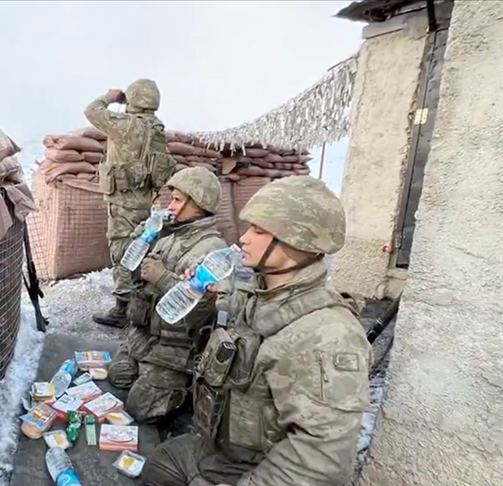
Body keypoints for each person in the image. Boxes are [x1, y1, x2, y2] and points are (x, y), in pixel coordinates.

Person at [141, 175, 372, 486]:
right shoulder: (260, 294)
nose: (244, 238)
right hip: (225, 449)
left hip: (258, 468)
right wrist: (205, 297)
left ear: (295, 241)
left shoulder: (328, 335)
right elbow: (230, 321)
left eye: (259, 230)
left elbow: (320, 461)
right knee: (162, 462)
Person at [106, 167, 227, 424]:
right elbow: (131, 271)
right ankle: (149, 374)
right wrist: (140, 249)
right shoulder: (169, 235)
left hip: (177, 347)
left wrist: (162, 278)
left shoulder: (212, 250)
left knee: (139, 409)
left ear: (199, 203)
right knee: (118, 375)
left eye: (177, 200)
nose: (169, 205)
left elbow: (211, 309)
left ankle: (182, 387)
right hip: (146, 335)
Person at [83, 79, 176, 328]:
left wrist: (110, 97)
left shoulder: (127, 125)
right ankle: (139, 303)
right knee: (138, 249)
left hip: (123, 201)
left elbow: (92, 111)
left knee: (123, 251)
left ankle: (124, 309)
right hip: (143, 201)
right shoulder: (156, 129)